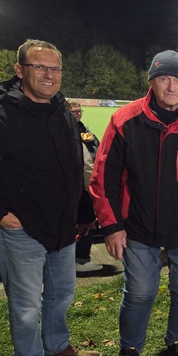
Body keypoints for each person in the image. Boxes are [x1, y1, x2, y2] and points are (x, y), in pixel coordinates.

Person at [0, 39, 102, 356]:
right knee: (25, 304)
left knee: (62, 292)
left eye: (55, 68)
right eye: (39, 67)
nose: (48, 75)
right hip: (22, 229)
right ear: (20, 70)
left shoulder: (61, 110)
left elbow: (71, 166)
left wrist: (81, 211)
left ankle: (56, 347)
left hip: (62, 226)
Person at [90, 50, 178, 356]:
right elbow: (102, 176)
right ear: (152, 82)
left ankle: (177, 342)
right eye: (164, 78)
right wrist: (111, 225)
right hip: (136, 227)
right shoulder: (124, 120)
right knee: (140, 291)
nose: (171, 86)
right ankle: (130, 349)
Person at [66, 99, 103, 274]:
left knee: (88, 223)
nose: (78, 114)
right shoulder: (64, 133)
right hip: (78, 190)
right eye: (74, 111)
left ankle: (80, 259)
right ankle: (79, 261)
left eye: (79, 111)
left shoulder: (85, 131)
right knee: (84, 224)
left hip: (87, 188)